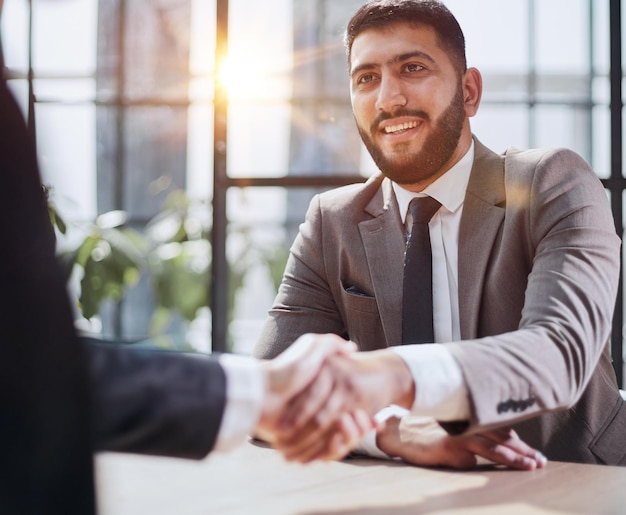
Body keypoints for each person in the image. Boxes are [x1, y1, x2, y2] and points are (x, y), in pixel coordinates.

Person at [0, 5, 373, 513]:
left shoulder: (520, 189)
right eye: (365, 77)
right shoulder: (332, 216)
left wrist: (260, 391)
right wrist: (264, 392)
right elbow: (27, 363)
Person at [254, 0, 625, 467]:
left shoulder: (552, 182)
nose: (388, 99)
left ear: (469, 92)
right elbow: (267, 392)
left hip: (575, 479)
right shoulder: (333, 221)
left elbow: (559, 355)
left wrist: (388, 377)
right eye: (366, 78)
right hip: (409, 487)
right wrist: (388, 431)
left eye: (412, 68)